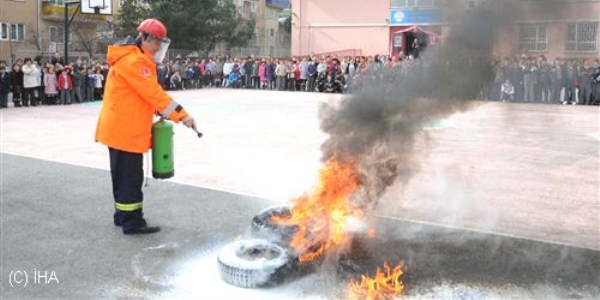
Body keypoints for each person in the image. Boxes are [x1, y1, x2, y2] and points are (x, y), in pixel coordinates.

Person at [95, 18, 197, 235]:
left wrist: (164, 112)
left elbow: (143, 96)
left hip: (121, 127)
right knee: (130, 178)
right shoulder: (135, 62)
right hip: (126, 130)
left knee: (122, 176)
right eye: (155, 42)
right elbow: (154, 94)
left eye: (161, 43)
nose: (158, 47)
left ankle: (121, 216)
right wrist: (183, 115)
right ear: (143, 38)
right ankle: (132, 222)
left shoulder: (132, 58)